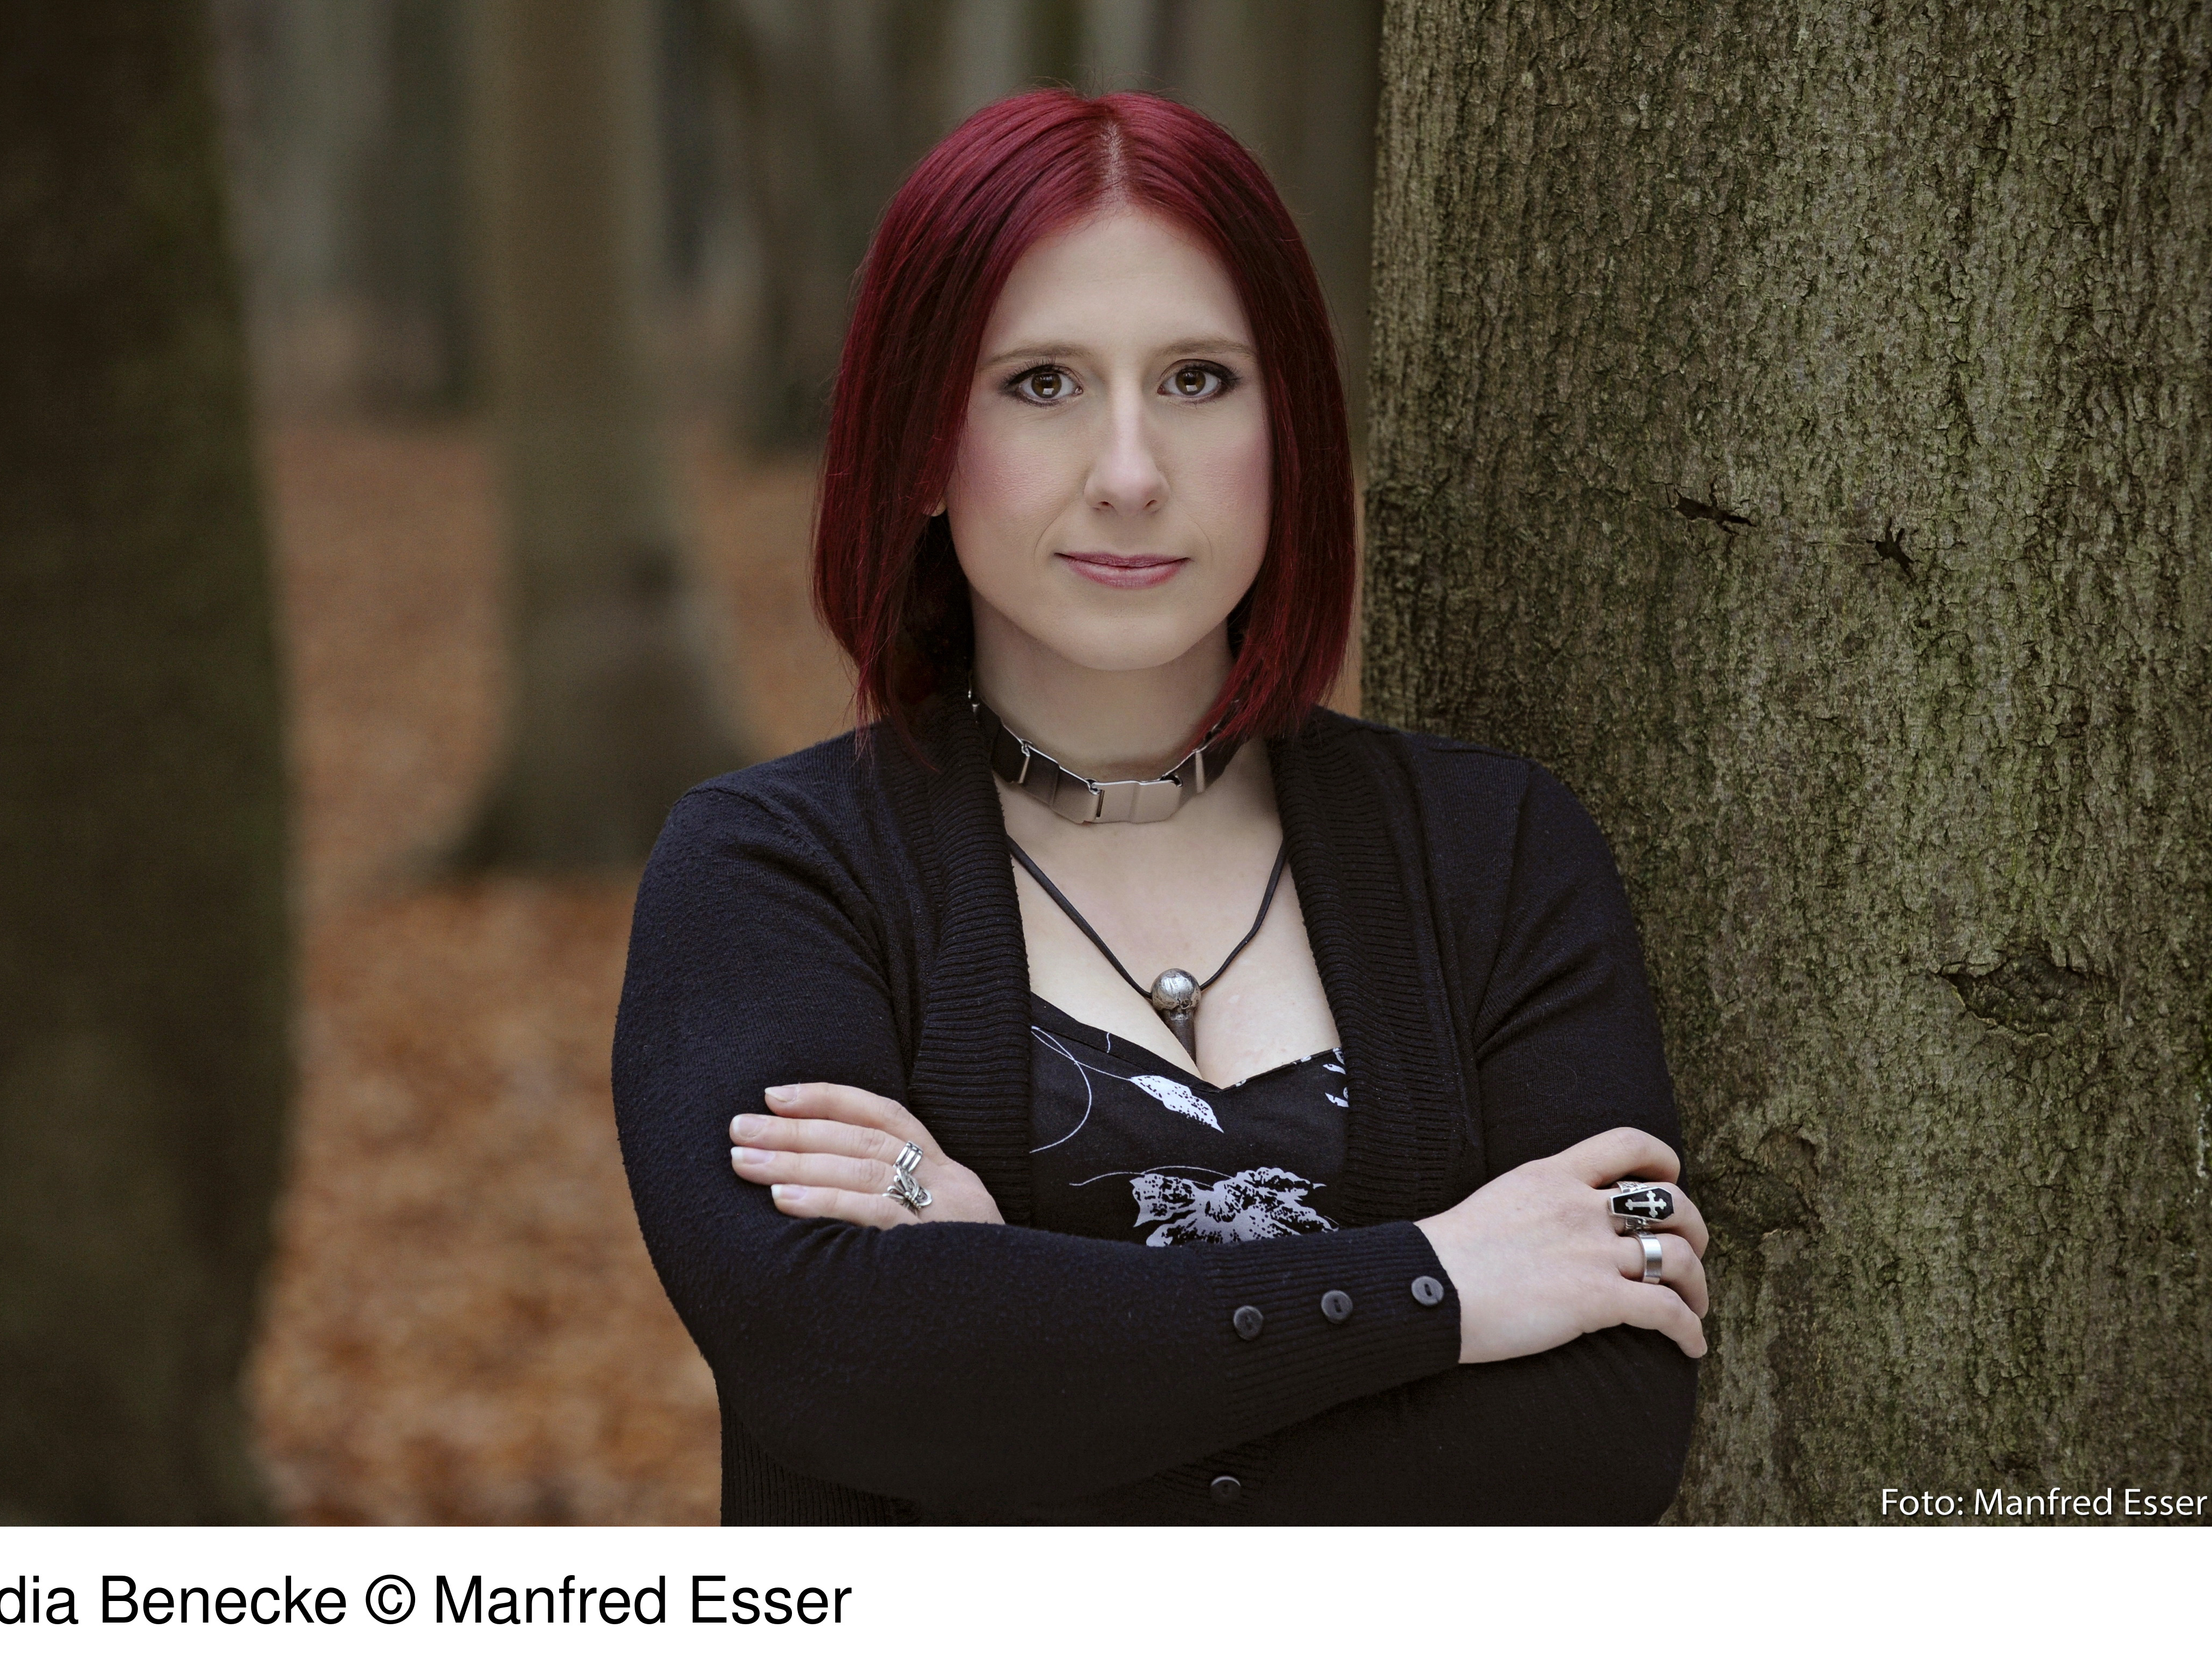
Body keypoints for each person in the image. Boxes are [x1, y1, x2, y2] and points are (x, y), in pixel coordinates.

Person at [613, 89, 1708, 1524]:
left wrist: (1014, 1311)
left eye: (1198, 380)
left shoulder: (1496, 849)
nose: (1130, 475)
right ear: (924, 442)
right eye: (1041, 384)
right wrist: (1442, 1283)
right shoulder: (771, 871)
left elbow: (1598, 1438)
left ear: (1288, 426)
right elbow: (846, 1370)